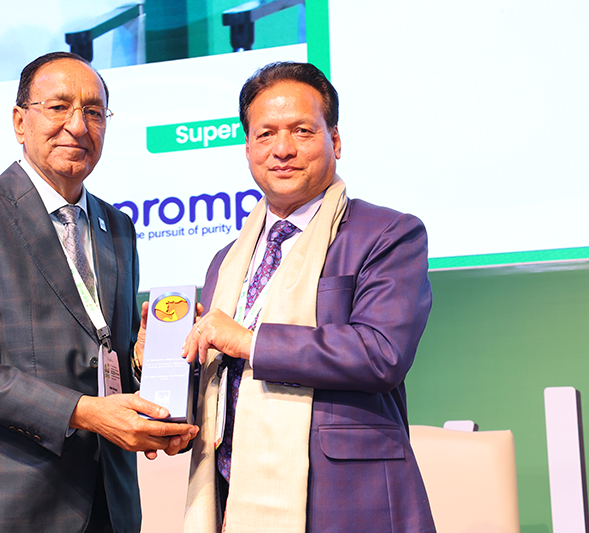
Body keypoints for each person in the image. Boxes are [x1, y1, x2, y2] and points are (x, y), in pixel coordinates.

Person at [0, 51, 197, 533]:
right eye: (58, 107)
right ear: (19, 120)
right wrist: (85, 413)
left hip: (110, 504)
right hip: (10, 508)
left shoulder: (118, 226)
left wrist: (142, 368)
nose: (78, 125)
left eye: (94, 112)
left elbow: (104, 361)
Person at [181, 61, 436, 532]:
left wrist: (250, 342)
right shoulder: (226, 259)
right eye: (265, 134)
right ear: (248, 148)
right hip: (235, 499)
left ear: (334, 141)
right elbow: (221, 381)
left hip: (347, 501)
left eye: (301, 131)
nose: (282, 149)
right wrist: (159, 357)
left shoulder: (387, 234)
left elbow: (382, 353)